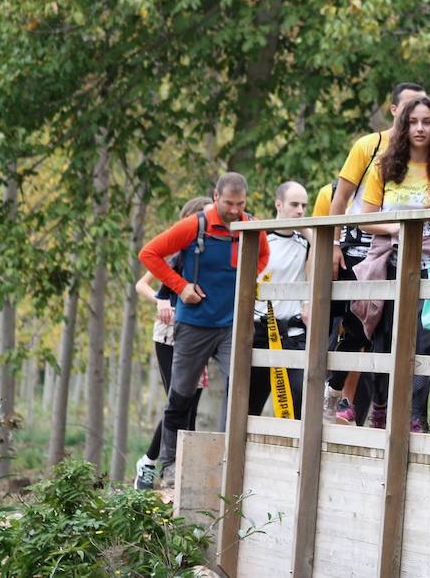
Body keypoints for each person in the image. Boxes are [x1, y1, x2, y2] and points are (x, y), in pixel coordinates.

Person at [139, 173, 271, 487]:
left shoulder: (250, 225)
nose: (235, 210)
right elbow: (149, 254)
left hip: (231, 325)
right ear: (215, 197)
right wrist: (180, 287)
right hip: (194, 325)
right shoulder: (194, 226)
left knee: (241, 384)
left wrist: (246, 279)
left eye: (240, 204)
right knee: (181, 395)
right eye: (229, 203)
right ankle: (169, 466)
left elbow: (263, 255)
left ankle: (233, 460)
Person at [323, 81, 427, 424]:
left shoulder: (429, 156)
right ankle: (337, 395)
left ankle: (374, 409)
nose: (415, 119)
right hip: (359, 247)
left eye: (422, 111)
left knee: (387, 331)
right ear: (395, 110)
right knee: (357, 327)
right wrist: (334, 243)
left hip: (405, 253)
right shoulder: (370, 146)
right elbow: (341, 198)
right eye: (408, 110)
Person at [352, 96, 430, 430]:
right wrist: (397, 226)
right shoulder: (386, 166)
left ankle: (414, 416)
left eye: (427, 122)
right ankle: (380, 407)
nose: (420, 129)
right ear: (403, 125)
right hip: (390, 263)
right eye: (413, 122)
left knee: (423, 342)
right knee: (382, 340)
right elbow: (364, 220)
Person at [132, 196, 210, 490]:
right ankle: (153, 464)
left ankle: (174, 468)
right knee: (177, 401)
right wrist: (161, 301)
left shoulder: (208, 256)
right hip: (169, 336)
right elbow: (142, 284)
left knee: (191, 403)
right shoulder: (174, 250)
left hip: (199, 334)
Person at [247, 182, 311, 421]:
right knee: (249, 403)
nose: (300, 211)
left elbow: (322, 249)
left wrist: (305, 228)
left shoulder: (306, 241)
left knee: (297, 401)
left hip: (293, 333)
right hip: (260, 331)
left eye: (304, 206)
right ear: (278, 204)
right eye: (294, 204)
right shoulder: (262, 239)